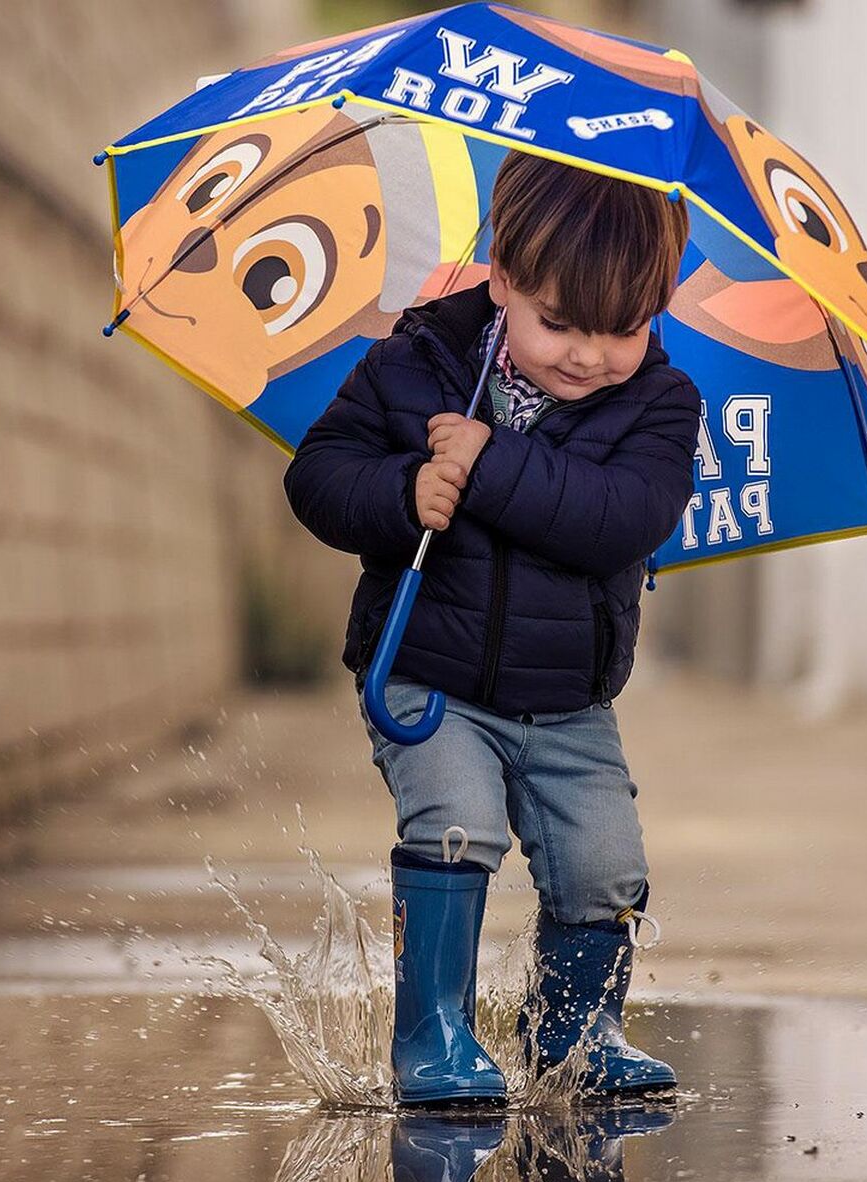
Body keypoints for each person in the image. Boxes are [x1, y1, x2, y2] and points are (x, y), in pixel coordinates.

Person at [283, 150, 700, 1106]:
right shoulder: (413, 364)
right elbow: (318, 475)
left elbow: (619, 520)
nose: (589, 356)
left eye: (623, 329)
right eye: (559, 323)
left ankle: (578, 1035)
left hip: (567, 700)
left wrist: (491, 464)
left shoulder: (660, 407)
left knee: (605, 862)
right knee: (455, 824)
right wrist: (401, 490)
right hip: (430, 674)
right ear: (503, 277)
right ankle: (433, 1035)